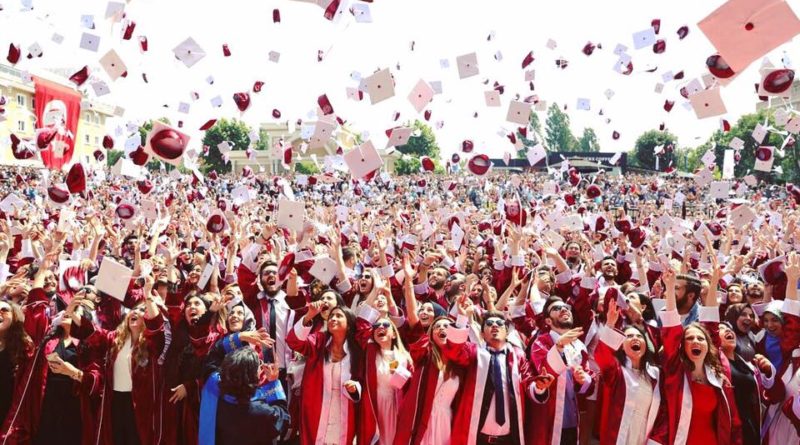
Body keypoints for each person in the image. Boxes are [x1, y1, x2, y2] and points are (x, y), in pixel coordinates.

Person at [650, 266, 742, 445]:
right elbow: (670, 329)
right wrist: (669, 289)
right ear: (682, 346)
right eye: (689, 338)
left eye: (701, 338)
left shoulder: (718, 380)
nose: (695, 341)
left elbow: (733, 420)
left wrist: (714, 282)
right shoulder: (676, 371)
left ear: (709, 346)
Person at [442, 297, 550, 445]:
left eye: (499, 323)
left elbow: (528, 381)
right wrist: (462, 317)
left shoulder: (518, 356)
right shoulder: (473, 352)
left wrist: (539, 387)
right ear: (481, 334)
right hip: (476, 437)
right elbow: (454, 350)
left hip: (509, 439)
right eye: (489, 324)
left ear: (506, 332)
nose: (494, 326)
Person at [286, 303, 362, 445]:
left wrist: (355, 387)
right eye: (332, 315)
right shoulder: (319, 341)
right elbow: (293, 341)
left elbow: (362, 380)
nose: (333, 318)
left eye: (339, 316)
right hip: (317, 408)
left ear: (350, 324)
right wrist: (309, 315)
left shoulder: (356, 350)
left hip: (344, 410)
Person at [594, 298, 661, 445]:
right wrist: (610, 324)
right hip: (616, 437)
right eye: (629, 336)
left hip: (643, 437)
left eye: (639, 336)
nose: (635, 339)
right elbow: (603, 356)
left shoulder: (655, 375)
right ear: (621, 346)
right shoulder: (616, 372)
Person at [198, 348, 289, 445]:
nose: (261, 368)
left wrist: (238, 337)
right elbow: (283, 419)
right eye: (259, 366)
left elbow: (212, 358)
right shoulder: (262, 412)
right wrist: (273, 384)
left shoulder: (214, 398)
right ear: (251, 376)